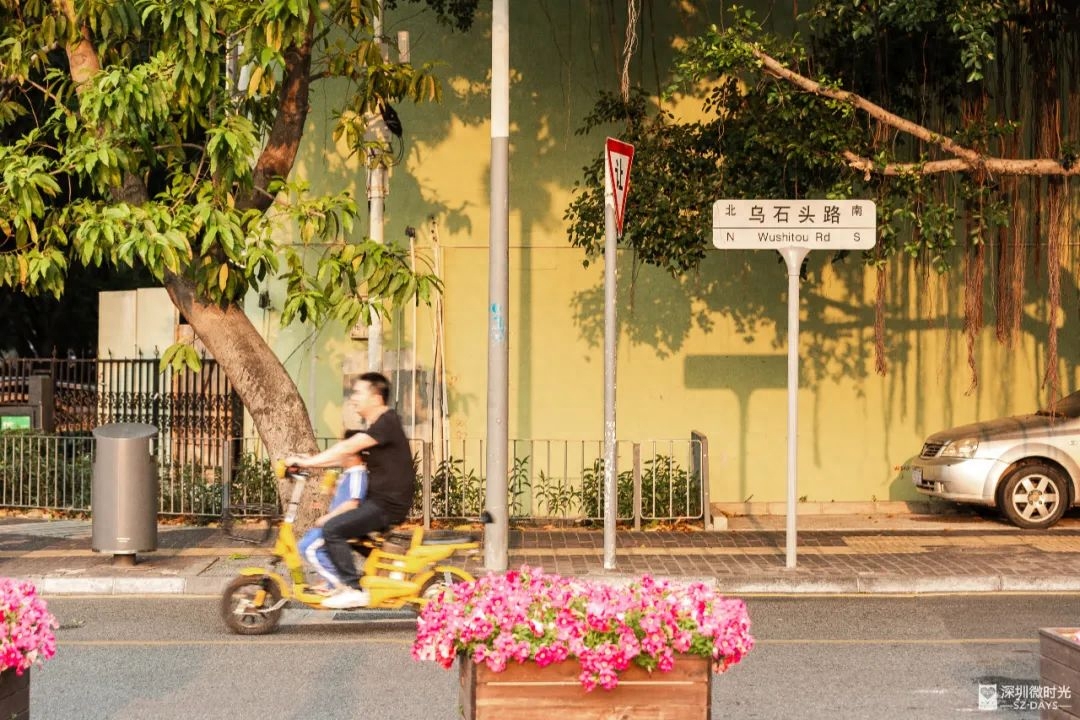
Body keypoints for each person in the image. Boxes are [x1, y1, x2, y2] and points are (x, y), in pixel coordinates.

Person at [284, 372, 415, 609]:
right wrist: (309, 461)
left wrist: (307, 463)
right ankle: (360, 580)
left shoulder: (386, 422)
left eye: (358, 393)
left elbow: (347, 447)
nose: (353, 398)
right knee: (345, 533)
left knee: (333, 528)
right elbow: (345, 456)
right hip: (378, 502)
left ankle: (354, 589)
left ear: (376, 397)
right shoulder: (378, 426)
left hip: (387, 505)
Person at [296, 431, 368, 594]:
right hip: (335, 522)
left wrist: (328, 517)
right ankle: (331, 581)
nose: (340, 453)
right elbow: (344, 498)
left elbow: (352, 503)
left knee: (309, 548)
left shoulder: (357, 473)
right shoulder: (348, 474)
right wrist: (332, 490)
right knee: (307, 543)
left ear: (352, 453)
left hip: (340, 524)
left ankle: (338, 585)